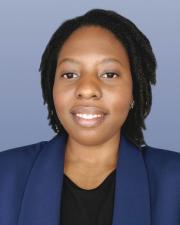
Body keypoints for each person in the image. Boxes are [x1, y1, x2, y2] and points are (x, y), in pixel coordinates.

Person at [0, 8, 180, 225]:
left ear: (134, 90)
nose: (86, 89)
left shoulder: (174, 179)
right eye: (70, 74)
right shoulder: (5, 174)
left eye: (109, 74)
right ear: (51, 88)